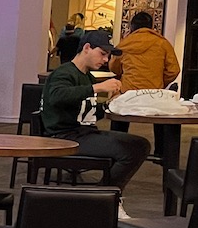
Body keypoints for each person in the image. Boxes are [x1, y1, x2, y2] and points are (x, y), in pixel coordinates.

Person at [41, 30, 149, 196]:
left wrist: (112, 104)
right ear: (86, 48)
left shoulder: (87, 76)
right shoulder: (64, 73)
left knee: (142, 144)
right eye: (102, 54)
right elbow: (57, 97)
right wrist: (97, 88)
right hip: (64, 137)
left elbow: (87, 112)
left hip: (84, 133)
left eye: (107, 56)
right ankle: (104, 197)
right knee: (128, 151)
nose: (105, 60)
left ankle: (103, 195)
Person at [109, 10, 181, 153]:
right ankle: (161, 152)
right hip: (154, 94)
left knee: (118, 113)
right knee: (161, 116)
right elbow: (174, 70)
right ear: (151, 26)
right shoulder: (162, 43)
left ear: (132, 27)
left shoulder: (124, 44)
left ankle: (118, 148)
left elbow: (114, 68)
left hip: (128, 94)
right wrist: (159, 82)